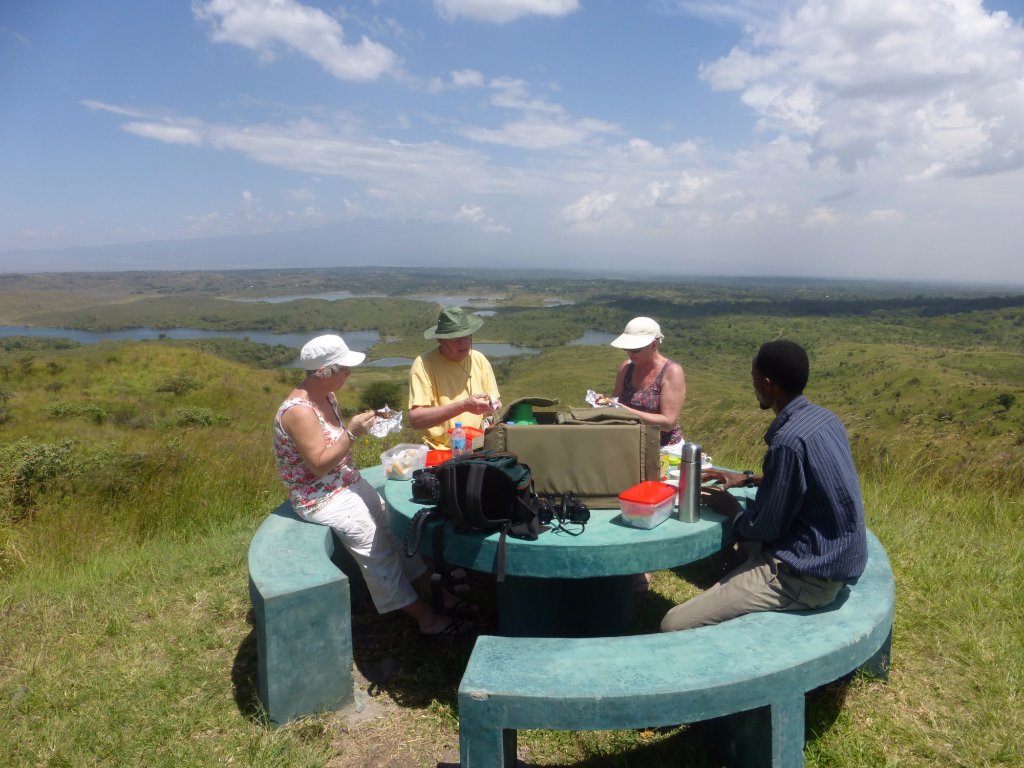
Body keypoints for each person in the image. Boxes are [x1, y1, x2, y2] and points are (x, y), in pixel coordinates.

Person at [660, 340, 868, 632]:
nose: (753, 385)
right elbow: (807, 481)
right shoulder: (825, 419)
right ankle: (734, 577)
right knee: (740, 537)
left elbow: (764, 527)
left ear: (768, 384)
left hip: (804, 576)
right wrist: (747, 479)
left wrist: (731, 508)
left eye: (754, 379)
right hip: (838, 556)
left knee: (673, 623)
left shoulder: (787, 442)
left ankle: (740, 590)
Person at [274, 334, 469, 637]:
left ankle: (436, 594)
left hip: (347, 482)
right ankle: (426, 619)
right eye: (344, 368)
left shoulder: (326, 396)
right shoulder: (299, 412)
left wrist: (360, 425)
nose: (349, 373)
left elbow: (330, 442)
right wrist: (352, 434)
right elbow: (319, 464)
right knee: (378, 553)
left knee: (397, 535)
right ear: (325, 372)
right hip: (322, 497)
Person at [408, 306, 501, 449]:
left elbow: (492, 409)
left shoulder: (479, 359)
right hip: (440, 450)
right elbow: (416, 419)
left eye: (467, 336)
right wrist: (463, 406)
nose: (463, 343)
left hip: (477, 446)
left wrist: (492, 406)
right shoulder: (423, 364)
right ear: (440, 339)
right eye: (455, 338)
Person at [603, 317, 685, 448]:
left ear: (653, 345)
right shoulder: (626, 368)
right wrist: (604, 402)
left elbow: (668, 423)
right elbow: (615, 402)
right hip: (630, 444)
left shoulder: (672, 372)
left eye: (635, 349)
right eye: (626, 348)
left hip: (664, 448)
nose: (630, 353)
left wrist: (625, 411)